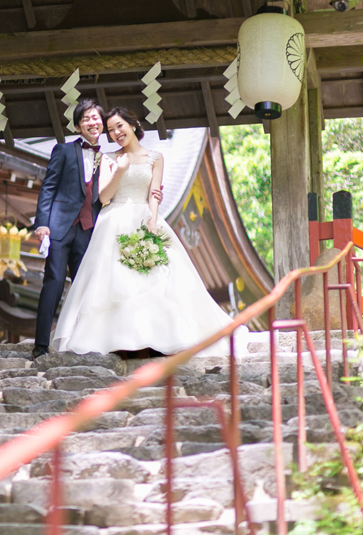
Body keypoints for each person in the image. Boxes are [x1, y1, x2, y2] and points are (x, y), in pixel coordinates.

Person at [50, 107, 236, 356]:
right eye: (111, 130)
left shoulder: (156, 157)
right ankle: (119, 340)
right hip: (113, 220)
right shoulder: (108, 158)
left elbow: (154, 193)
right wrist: (120, 170)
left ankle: (159, 337)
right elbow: (104, 196)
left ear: (132, 124)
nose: (116, 133)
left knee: (158, 277)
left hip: (145, 217)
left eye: (119, 126)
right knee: (113, 280)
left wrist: (153, 220)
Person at [29, 99, 162, 359]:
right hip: (60, 225)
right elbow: (48, 187)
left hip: (91, 229)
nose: (93, 122)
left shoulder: (110, 157)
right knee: (54, 281)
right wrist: (42, 223)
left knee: (88, 287)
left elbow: (122, 185)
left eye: (96, 119)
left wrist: (152, 192)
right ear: (79, 125)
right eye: (87, 119)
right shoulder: (63, 151)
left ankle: (83, 340)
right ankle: (41, 344)